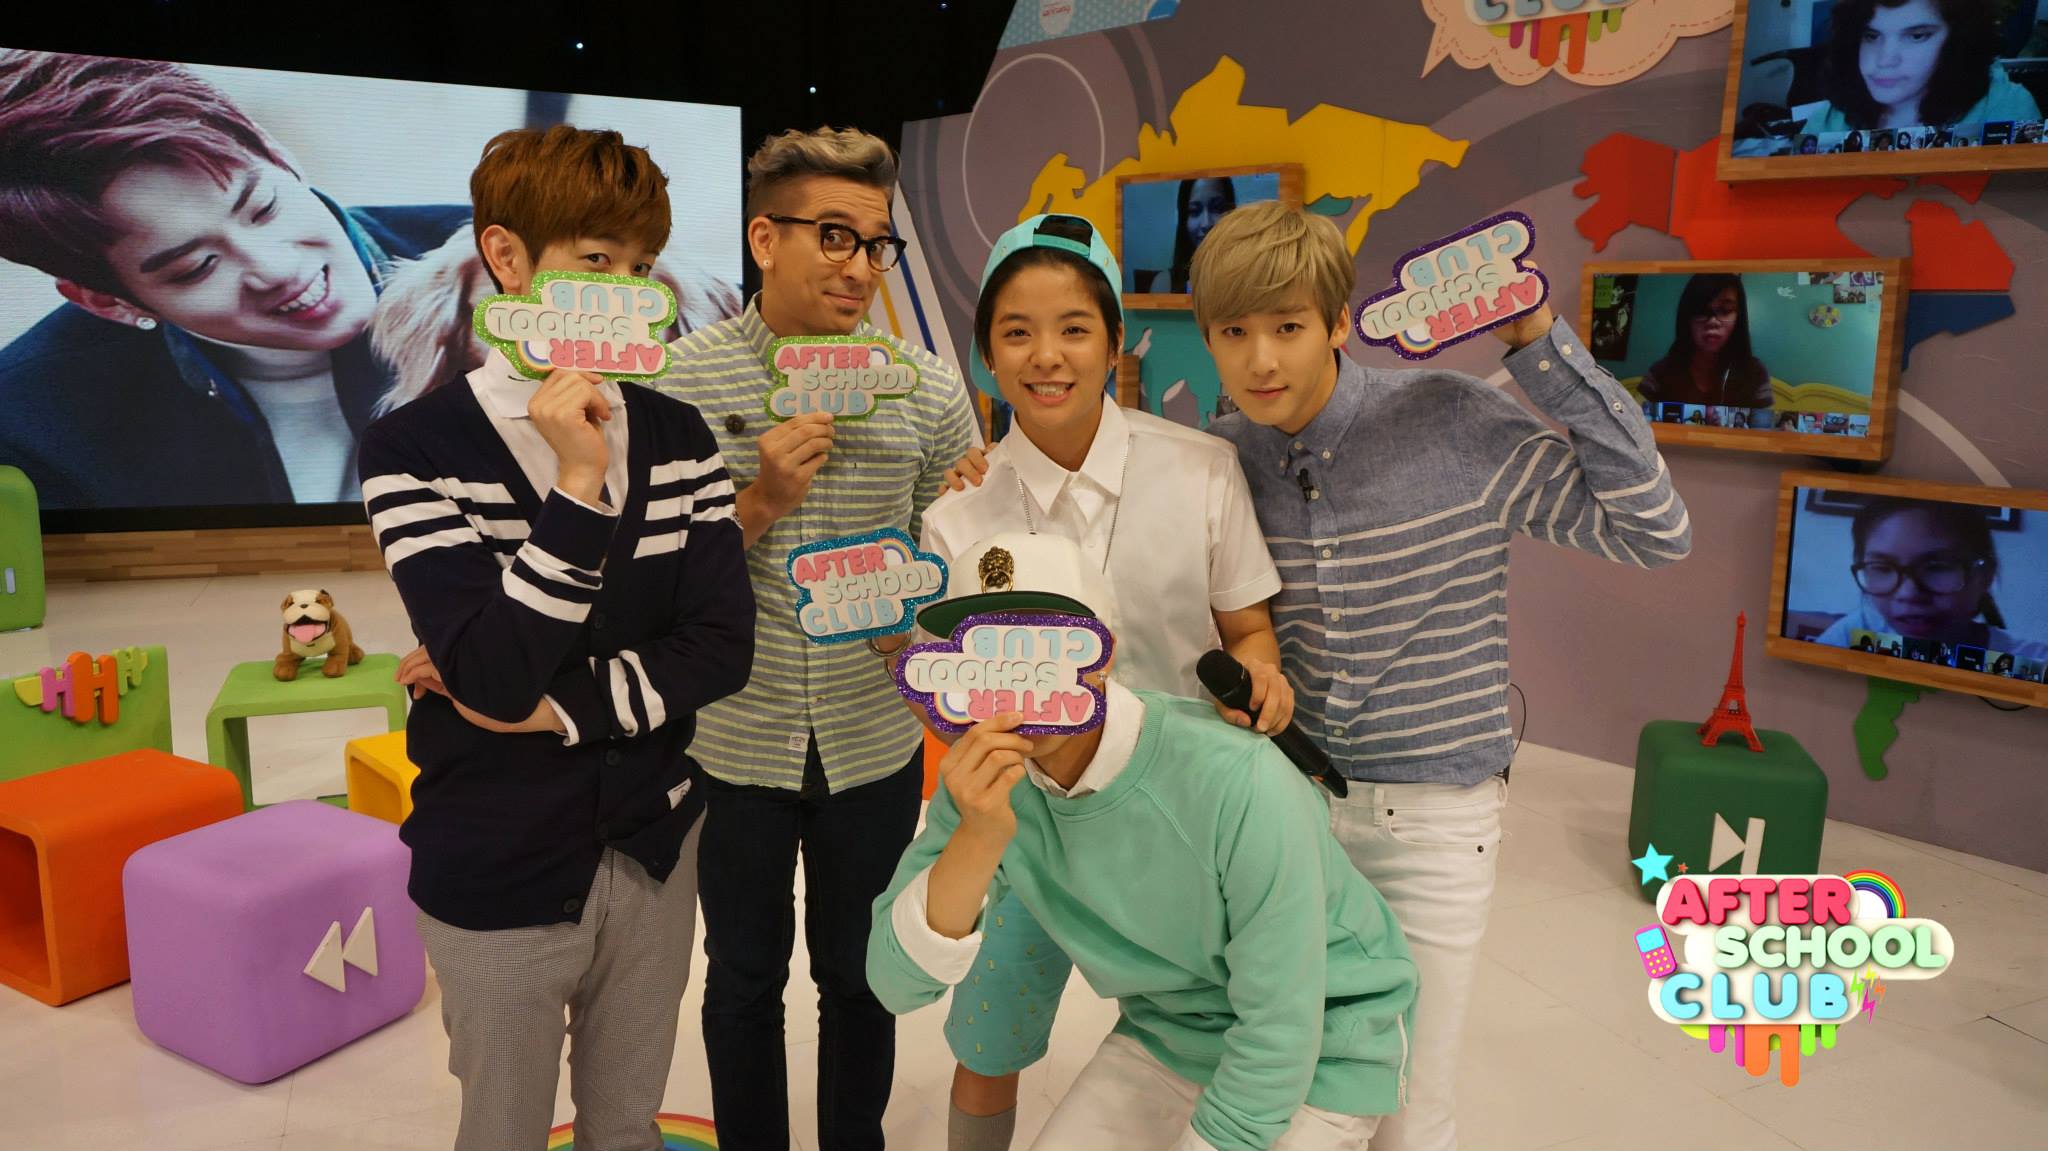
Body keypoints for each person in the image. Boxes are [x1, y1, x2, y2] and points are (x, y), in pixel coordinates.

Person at [1191, 202, 1692, 1151]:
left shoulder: (1453, 419)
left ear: (1338, 322)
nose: (1261, 359)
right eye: (1233, 331)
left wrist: (1538, 343)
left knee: (1410, 1110)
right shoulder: (1226, 452)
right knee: (1282, 1083)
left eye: (1288, 327)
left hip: (1431, 821)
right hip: (1282, 810)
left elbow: (1654, 531)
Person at [355, 126, 755, 1151]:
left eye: (639, 266)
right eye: (595, 259)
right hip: (495, 858)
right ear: (506, 256)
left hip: (656, 846)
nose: (623, 291)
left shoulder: (677, 437)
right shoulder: (412, 449)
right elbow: (492, 671)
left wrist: (555, 710)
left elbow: (721, 646)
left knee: (625, 1122)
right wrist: (576, 486)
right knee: (503, 1125)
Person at [926, 212, 1292, 1149]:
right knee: (988, 1041)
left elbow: (1248, 629)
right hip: (1029, 826)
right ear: (986, 355)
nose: (1047, 356)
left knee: (1213, 1034)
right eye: (1016, 331)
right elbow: (949, 685)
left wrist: (1260, 677)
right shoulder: (958, 514)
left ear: (1116, 338)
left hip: (1186, 818)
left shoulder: (1203, 470)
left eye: (1074, 328)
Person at [868, 530, 1417, 1151]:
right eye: (983, 651)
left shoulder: (1237, 777)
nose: (1016, 676)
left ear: (1102, 654)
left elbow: (1283, 1020)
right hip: (1169, 1031)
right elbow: (894, 982)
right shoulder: (982, 785)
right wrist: (977, 836)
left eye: (1044, 645)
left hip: (1328, 1041)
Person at [654, 126, 978, 1151]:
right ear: (764, 238)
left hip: (872, 741)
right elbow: (651, 580)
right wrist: (757, 501)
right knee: (741, 976)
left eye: (874, 245)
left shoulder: (926, 389)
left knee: (859, 973)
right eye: (833, 235)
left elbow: (959, 571)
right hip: (731, 738)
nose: (858, 267)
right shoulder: (679, 382)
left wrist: (931, 608)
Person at [0, 49, 471, 509]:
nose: (277, 270)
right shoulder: (34, 424)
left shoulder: (494, 260)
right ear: (107, 302)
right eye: (197, 267)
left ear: (279, 156)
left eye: (265, 208)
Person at [1816, 497, 2047, 661]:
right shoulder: (1856, 634)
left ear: (1984, 576)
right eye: (1883, 568)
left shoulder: (2029, 662)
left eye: (1937, 567)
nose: (1908, 594)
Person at [1793, 0, 2041, 133]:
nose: (1885, 60)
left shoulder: (2006, 108)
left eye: (1917, 36)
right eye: (1871, 36)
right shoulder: (1828, 120)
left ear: (1958, 40)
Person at [1636, 274, 1774, 420]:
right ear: (1687, 318)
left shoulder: (1755, 373)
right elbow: (1633, 421)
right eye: (1701, 311)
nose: (1713, 321)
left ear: (1738, 318)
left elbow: (1764, 429)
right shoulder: (1660, 372)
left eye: (1725, 310)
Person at [1144, 176, 1236, 294]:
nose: (1206, 223)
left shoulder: (1247, 280)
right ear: (1184, 220)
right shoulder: (1163, 285)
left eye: (1217, 208)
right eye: (1194, 211)